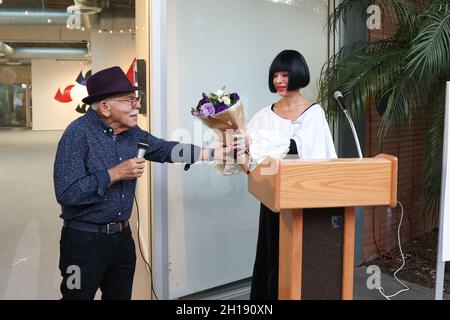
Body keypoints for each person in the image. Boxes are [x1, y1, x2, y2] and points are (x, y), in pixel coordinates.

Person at [54, 66, 227, 300]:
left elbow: (166, 149)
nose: (137, 105)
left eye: (136, 99)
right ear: (105, 107)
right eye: (129, 100)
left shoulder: (133, 133)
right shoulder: (77, 134)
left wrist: (212, 153)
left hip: (122, 242)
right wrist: (114, 173)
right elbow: (67, 193)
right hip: (83, 244)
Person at [233, 50, 337, 300]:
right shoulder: (264, 115)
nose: (279, 80)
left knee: (300, 261)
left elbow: (312, 153)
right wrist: (241, 153)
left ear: (298, 75)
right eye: (275, 75)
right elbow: (246, 154)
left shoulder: (313, 114)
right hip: (273, 201)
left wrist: (265, 143)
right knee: (271, 257)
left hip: (303, 202)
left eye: (285, 74)